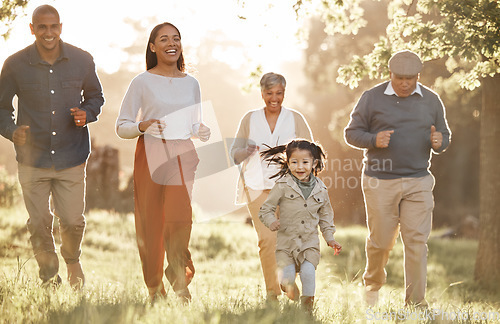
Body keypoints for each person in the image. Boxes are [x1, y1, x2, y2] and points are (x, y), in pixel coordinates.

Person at [0, 5, 104, 289]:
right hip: (33, 158)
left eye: (53, 26)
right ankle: (48, 277)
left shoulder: (82, 60)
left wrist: (87, 113)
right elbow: (1, 108)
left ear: (61, 26)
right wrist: (11, 131)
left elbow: (95, 96)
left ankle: (72, 260)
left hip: (72, 155)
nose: (49, 33)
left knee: (72, 221)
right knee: (38, 222)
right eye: (42, 27)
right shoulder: (14, 64)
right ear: (32, 29)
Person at [344, 50, 451, 307]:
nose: (405, 83)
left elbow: (444, 134)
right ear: (390, 74)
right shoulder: (372, 98)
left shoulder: (431, 100)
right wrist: (373, 140)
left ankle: (415, 303)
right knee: (381, 241)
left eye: (411, 78)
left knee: (416, 241)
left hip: (418, 180)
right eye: (400, 78)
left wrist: (440, 142)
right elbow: (351, 133)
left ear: (418, 76)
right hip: (380, 180)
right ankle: (372, 286)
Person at [116, 22, 210, 303]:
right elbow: (122, 126)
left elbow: (194, 124)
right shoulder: (142, 82)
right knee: (152, 222)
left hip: (182, 154)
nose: (172, 43)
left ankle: (179, 279)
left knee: (180, 218)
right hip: (151, 154)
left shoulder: (192, 83)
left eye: (176, 38)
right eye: (164, 39)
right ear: (153, 46)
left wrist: (201, 130)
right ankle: (154, 288)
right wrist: (142, 125)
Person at [230, 72, 313, 300]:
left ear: (284, 93)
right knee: (267, 241)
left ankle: (288, 279)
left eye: (279, 93)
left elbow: (311, 153)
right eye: (269, 93)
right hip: (256, 188)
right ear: (262, 93)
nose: (274, 98)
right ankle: (272, 294)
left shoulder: (295, 118)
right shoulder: (250, 119)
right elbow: (234, 155)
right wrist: (244, 152)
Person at [258, 139, 342, 312]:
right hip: (286, 245)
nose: (300, 167)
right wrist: (271, 221)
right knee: (287, 279)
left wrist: (330, 238)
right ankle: (288, 289)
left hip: (309, 243)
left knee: (309, 273)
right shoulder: (282, 186)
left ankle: (307, 311)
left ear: (314, 163)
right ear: (287, 163)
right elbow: (265, 209)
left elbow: (326, 216)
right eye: (294, 162)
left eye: (305, 162)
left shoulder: (321, 189)